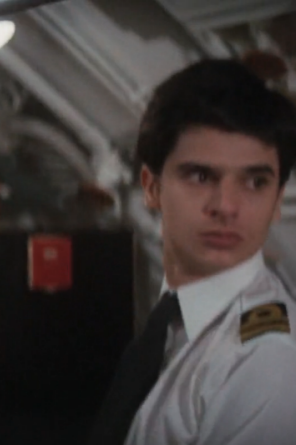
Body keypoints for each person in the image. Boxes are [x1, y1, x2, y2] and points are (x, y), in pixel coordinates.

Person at [88, 59, 296, 445]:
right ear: (151, 188)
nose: (226, 206)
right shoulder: (172, 319)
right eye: (201, 176)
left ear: (276, 200)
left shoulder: (264, 358)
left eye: (255, 182)